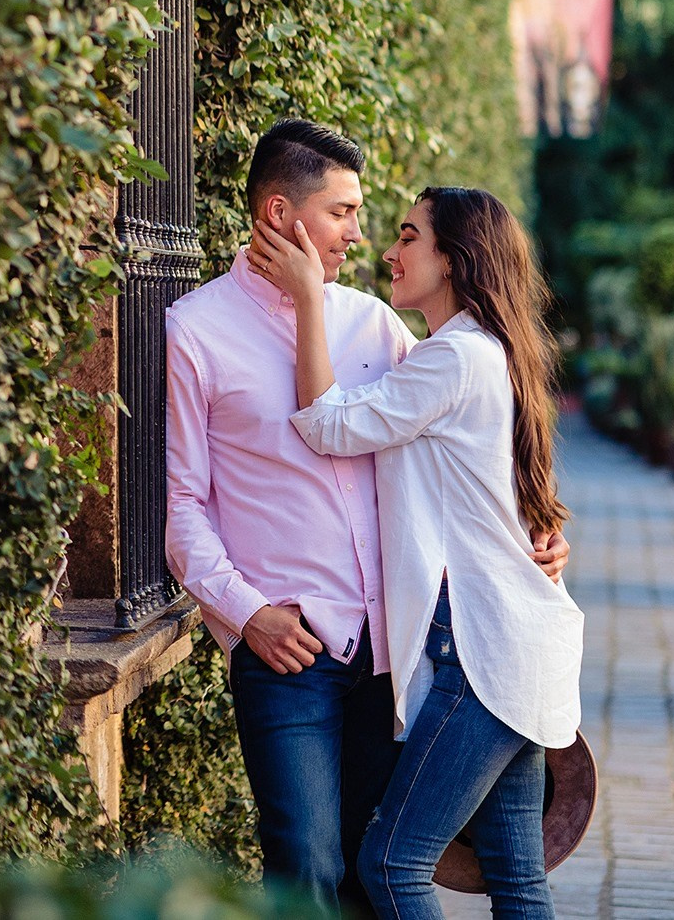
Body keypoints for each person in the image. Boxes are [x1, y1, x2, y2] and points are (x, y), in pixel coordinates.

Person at [164, 121, 569, 916]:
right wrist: (248, 616)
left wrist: (539, 536)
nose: (363, 234)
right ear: (282, 215)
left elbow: (476, 444)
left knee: (368, 868)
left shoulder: (377, 326)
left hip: (396, 646)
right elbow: (183, 511)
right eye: (344, 212)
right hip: (289, 652)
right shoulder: (194, 330)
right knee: (306, 865)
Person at [250, 186, 582, 920]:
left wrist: (308, 299)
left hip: (483, 654)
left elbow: (326, 425)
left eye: (408, 236)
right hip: (516, 642)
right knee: (517, 876)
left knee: (392, 862)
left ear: (456, 258)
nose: (389, 252)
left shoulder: (455, 358)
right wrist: (547, 542)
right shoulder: (486, 353)